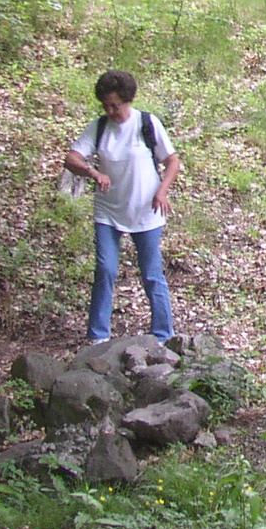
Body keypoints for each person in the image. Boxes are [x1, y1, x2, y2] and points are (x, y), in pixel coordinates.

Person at [63, 70, 181, 345]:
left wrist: (162, 191)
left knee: (152, 274)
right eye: (106, 105)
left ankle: (163, 335)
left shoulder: (147, 123)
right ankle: (98, 336)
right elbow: (71, 158)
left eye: (115, 105)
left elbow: (172, 161)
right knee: (105, 268)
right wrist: (93, 173)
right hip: (109, 210)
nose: (111, 110)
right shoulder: (99, 127)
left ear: (128, 100)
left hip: (145, 210)